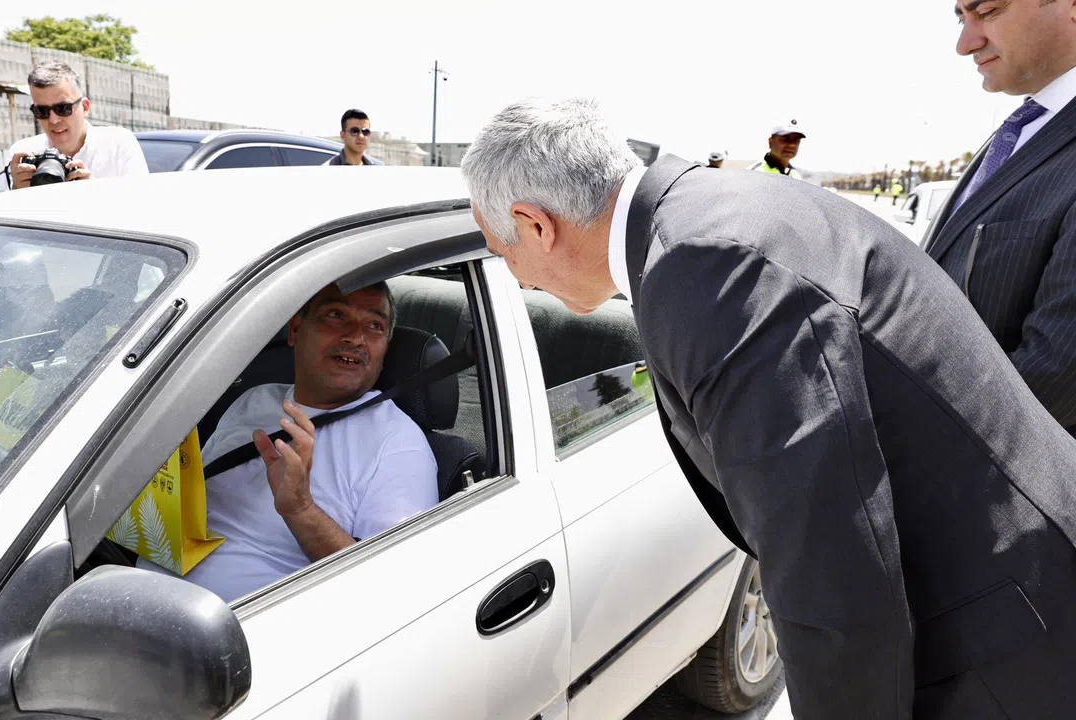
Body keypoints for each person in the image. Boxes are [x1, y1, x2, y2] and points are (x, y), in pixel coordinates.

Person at [461, 97, 1076, 719]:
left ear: (535, 225)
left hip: (1005, 635)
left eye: (502, 253)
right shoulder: (706, 214)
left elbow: (829, 565)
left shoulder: (703, 266)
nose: (517, 279)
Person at [154, 283, 437, 602]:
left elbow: (391, 593)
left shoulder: (398, 444)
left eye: (375, 326)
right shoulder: (253, 400)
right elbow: (189, 508)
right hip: (142, 590)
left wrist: (301, 509)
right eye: (336, 315)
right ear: (295, 330)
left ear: (385, 350)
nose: (356, 337)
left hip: (240, 625)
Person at [922, 0, 1076, 437]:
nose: (965, 44)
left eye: (988, 11)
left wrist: (906, 435)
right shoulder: (1024, 129)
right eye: (961, 18)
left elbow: (1056, 373)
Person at [7, 61, 148, 190]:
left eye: (63, 109)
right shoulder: (22, 153)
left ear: (85, 107)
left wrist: (95, 190)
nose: (53, 120)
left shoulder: (118, 144)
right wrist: (17, 191)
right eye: (42, 111)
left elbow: (141, 202)